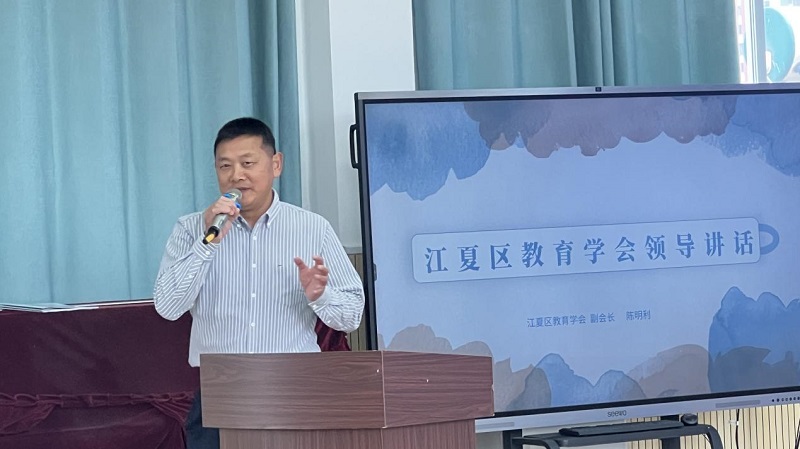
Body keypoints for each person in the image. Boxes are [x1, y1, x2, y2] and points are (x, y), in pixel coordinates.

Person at [153, 117, 364, 449]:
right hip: (221, 392)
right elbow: (167, 307)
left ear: (276, 164)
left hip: (294, 388)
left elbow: (351, 315)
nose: (236, 175)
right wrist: (207, 244)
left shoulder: (312, 229)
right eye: (225, 166)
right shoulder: (191, 229)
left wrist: (321, 296)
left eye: (247, 163)